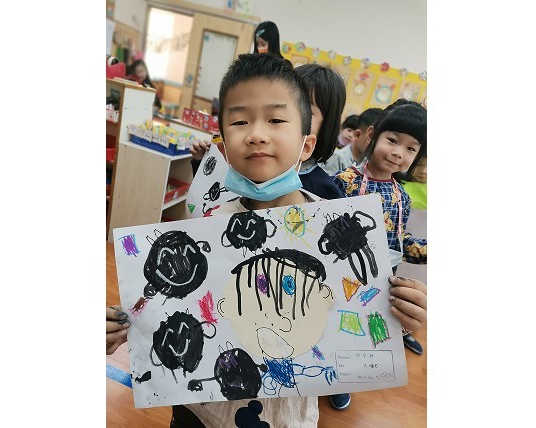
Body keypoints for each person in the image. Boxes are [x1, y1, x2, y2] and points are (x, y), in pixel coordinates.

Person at [108, 54, 428, 427]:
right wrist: (122, 325)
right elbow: (174, 308)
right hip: (197, 412)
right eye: (239, 121)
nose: (257, 134)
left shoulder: (336, 231)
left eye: (276, 120)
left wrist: (402, 315)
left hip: (283, 417)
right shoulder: (207, 224)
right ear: (224, 146)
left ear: (306, 145)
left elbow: (356, 316)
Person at [332, 101, 427, 359]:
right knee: (334, 326)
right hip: (339, 273)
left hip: (381, 281)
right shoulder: (344, 181)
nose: (398, 152)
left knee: (365, 336)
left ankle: (355, 368)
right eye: (392, 140)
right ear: (372, 134)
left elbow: (399, 243)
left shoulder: (402, 197)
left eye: (410, 148)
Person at [189, 61, 346, 201]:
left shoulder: (326, 194)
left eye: (277, 119)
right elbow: (212, 197)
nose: (258, 135)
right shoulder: (252, 161)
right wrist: (205, 162)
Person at [294, 63, 347, 200]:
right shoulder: (249, 167)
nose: (289, 115)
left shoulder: (326, 195)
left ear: (327, 124)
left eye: (305, 109)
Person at [321, 108, 383, 177]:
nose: (376, 145)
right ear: (357, 134)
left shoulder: (368, 163)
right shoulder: (338, 158)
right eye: (372, 138)